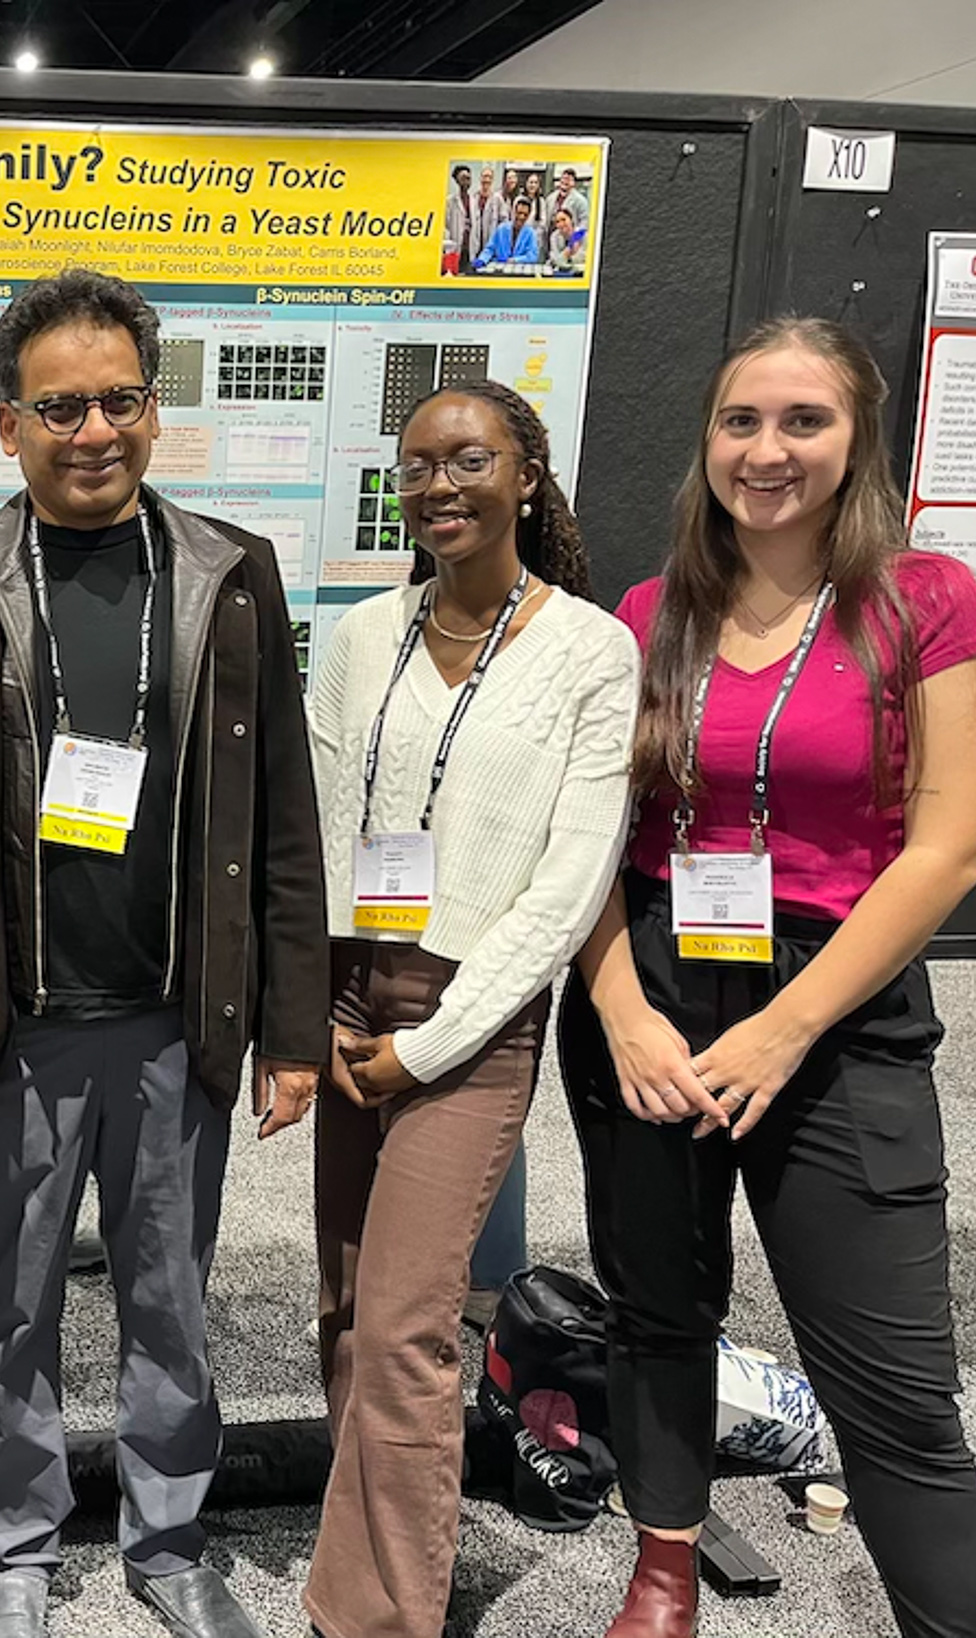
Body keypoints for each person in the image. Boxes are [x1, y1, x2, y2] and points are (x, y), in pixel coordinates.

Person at [0, 267, 328, 1638]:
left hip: (179, 1021)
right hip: (11, 1025)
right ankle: (19, 1541)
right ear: (8, 425)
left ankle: (169, 1535)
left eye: (120, 398)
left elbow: (281, 811)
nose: (94, 428)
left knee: (172, 1297)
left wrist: (292, 1022)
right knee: (15, 1298)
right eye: (60, 405)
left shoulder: (233, 571)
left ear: (154, 411)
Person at [561, 315, 976, 1638]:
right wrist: (621, 1009)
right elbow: (590, 841)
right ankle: (664, 1569)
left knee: (899, 1382)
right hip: (655, 985)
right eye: (741, 421)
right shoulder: (650, 612)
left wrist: (790, 1029)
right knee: (658, 1304)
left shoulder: (928, 602)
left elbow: (951, 838)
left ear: (858, 439)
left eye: (804, 421)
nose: (767, 448)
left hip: (837, 1005)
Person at [303, 380, 637, 1638]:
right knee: (342, 1306)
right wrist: (311, 1014)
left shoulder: (588, 650)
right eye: (416, 465)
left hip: (467, 1016)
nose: (437, 484)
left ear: (528, 473)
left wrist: (425, 1048)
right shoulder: (359, 636)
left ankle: (380, 1618)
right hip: (348, 987)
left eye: (467, 459)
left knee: (402, 1328)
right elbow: (324, 828)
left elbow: (566, 884)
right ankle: (358, 1561)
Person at [474, 198, 540, 271]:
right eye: (519, 213)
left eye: (525, 214)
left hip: (520, 272)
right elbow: (490, 249)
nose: (521, 217)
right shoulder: (501, 229)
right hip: (500, 270)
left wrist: (515, 260)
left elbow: (532, 256)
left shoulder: (530, 233)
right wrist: (482, 260)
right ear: (513, 212)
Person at [443, 164, 476, 275]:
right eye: (463, 178)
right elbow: (446, 225)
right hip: (455, 246)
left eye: (469, 178)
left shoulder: (473, 200)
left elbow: (476, 225)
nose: (466, 181)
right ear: (457, 180)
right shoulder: (450, 201)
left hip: (470, 247)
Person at [472, 166, 505, 271]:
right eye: (484, 176)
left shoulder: (497, 198)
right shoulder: (474, 197)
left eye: (489, 177)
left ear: (492, 180)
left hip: (492, 240)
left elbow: (504, 220)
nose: (486, 179)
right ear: (480, 178)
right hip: (475, 240)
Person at [548, 207, 587, 273]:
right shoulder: (554, 236)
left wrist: (568, 259)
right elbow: (554, 258)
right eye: (557, 222)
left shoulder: (582, 234)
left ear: (571, 220)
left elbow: (584, 257)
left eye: (564, 219)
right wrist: (567, 252)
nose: (561, 224)